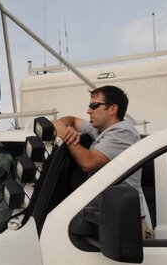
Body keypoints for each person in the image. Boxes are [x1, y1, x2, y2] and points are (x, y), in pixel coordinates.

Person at [53, 85, 153, 239]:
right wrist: (64, 127)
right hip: (109, 219)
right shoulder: (101, 130)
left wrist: (67, 137)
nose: (88, 110)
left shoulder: (122, 132)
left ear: (112, 109)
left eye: (94, 105)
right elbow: (70, 120)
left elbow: (88, 162)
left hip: (126, 227)